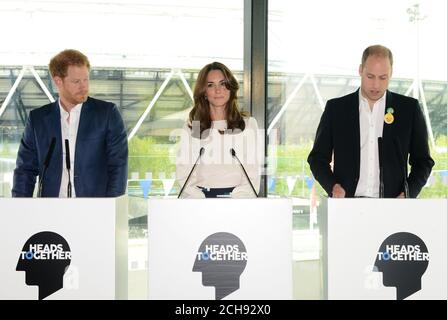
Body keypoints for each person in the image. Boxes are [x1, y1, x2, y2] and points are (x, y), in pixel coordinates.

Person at [307, 45, 434, 198]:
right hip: (346, 205)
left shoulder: (409, 109)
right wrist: (333, 187)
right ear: (360, 70)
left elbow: (423, 162)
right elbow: (317, 158)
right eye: (370, 76)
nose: (376, 85)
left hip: (392, 205)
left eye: (383, 78)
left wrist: (408, 193)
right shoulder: (336, 109)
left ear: (391, 74)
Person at [12, 49, 128, 197]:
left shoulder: (107, 114)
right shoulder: (38, 119)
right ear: (58, 81)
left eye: (86, 79)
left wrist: (110, 208)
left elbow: (118, 166)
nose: (83, 87)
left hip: (95, 209)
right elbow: (25, 170)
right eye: (76, 81)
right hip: (51, 211)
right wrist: (20, 209)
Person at [176, 62, 261, 198]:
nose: (218, 90)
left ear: (231, 87)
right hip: (198, 202)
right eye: (210, 85)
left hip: (238, 203)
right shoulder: (192, 127)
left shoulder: (249, 125)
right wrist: (201, 202)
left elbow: (252, 174)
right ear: (204, 92)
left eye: (222, 83)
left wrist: (235, 202)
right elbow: (183, 174)